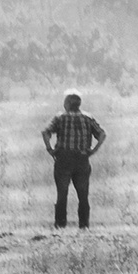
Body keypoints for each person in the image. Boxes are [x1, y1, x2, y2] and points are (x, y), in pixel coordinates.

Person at [40, 89, 106, 229]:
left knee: (62, 194)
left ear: (68, 103)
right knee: (83, 195)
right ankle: (84, 226)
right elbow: (102, 134)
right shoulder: (88, 118)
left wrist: (50, 149)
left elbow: (46, 133)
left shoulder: (60, 118)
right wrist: (94, 150)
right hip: (82, 159)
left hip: (63, 159)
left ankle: (60, 226)